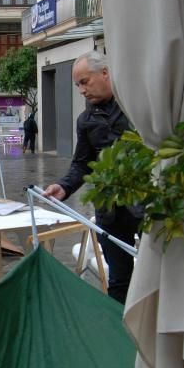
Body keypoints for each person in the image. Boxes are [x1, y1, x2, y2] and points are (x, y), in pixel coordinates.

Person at [44, 51, 141, 304]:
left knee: (159, 276)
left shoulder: (137, 105)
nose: (81, 90)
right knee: (120, 280)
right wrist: (63, 187)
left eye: (84, 82)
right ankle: (121, 336)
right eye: (78, 85)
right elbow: (81, 164)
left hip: (145, 205)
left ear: (105, 73)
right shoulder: (85, 120)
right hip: (111, 213)